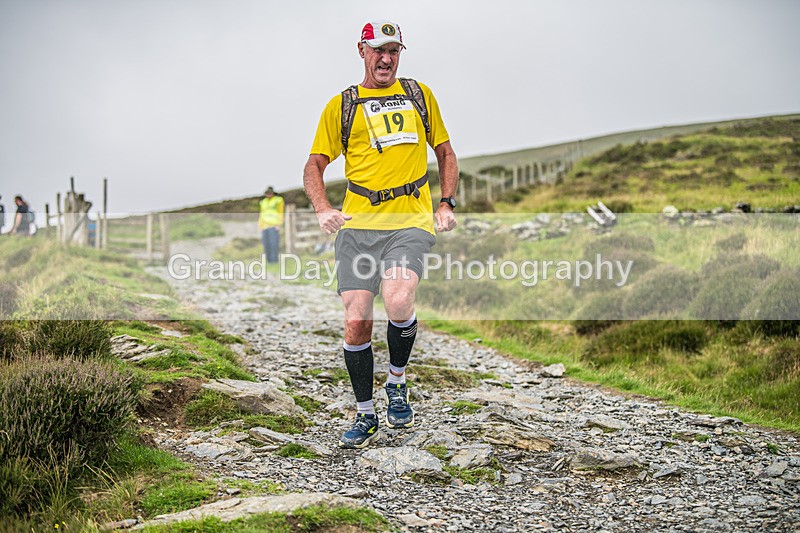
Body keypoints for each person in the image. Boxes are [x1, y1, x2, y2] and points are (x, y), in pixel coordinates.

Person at [303, 21, 458, 448]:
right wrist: (322, 208)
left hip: (409, 219)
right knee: (356, 323)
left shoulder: (419, 95)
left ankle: (397, 381)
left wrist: (446, 203)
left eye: (393, 50)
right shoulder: (343, 105)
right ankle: (365, 413)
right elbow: (314, 165)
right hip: (358, 225)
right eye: (378, 50)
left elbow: (444, 152)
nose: (386, 58)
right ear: (362, 51)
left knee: (399, 297)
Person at [258, 186, 284, 263]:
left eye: (270, 193)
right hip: (265, 226)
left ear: (273, 193)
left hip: (274, 225)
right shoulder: (263, 202)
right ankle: (268, 261)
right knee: (266, 243)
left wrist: (279, 224)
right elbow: (261, 213)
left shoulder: (278, 200)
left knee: (274, 243)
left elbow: (280, 212)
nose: (268, 195)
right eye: (267, 193)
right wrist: (260, 225)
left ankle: (274, 261)